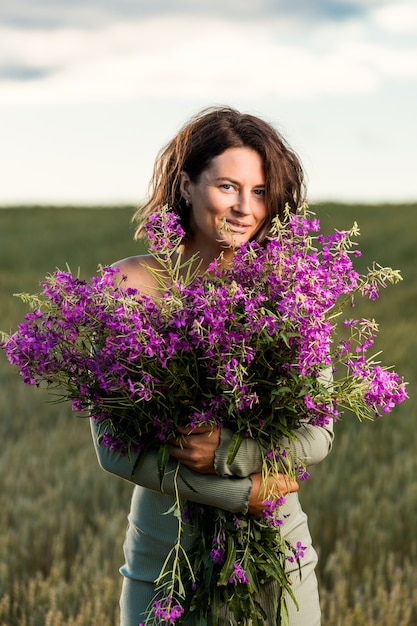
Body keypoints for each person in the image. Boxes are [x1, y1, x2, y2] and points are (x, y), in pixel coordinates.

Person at [90, 106, 334, 625]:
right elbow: (113, 449)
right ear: (186, 185)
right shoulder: (128, 288)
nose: (246, 207)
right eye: (228, 186)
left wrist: (226, 451)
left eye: (261, 191)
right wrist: (242, 492)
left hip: (278, 563)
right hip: (166, 562)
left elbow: (318, 437)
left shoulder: (292, 288)